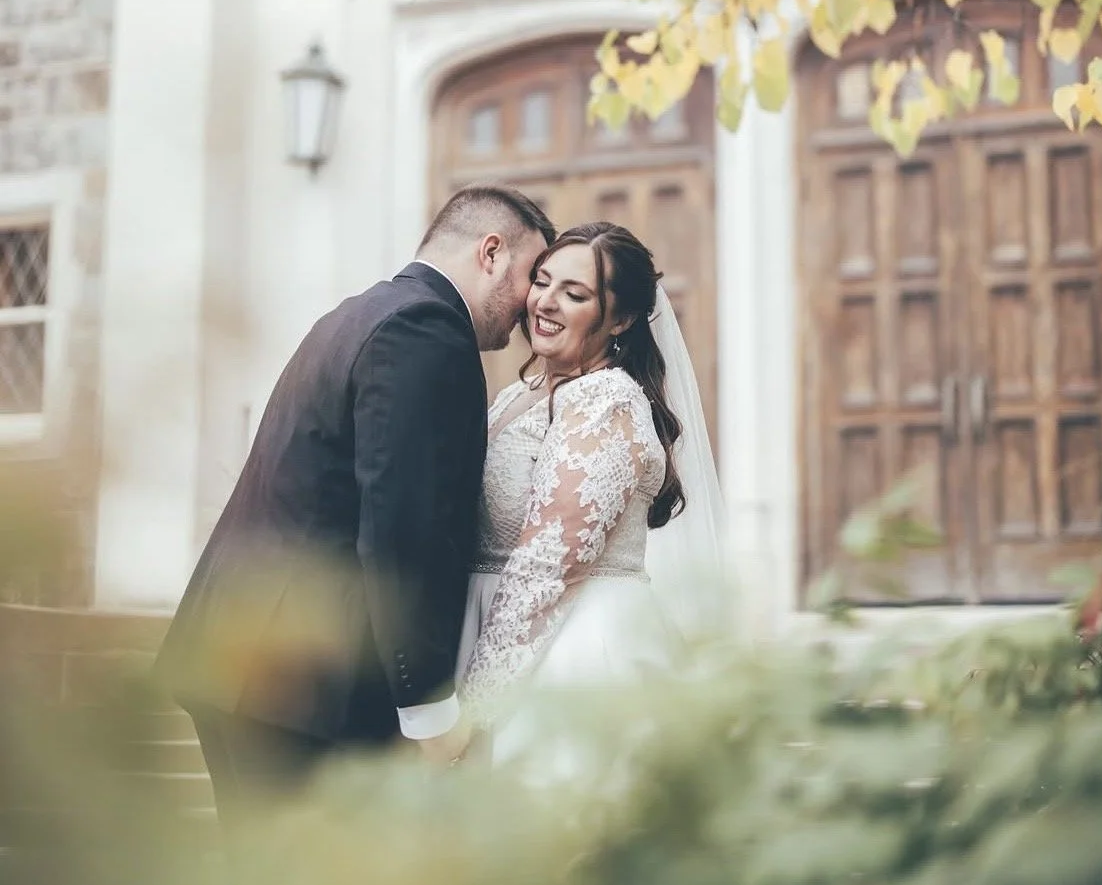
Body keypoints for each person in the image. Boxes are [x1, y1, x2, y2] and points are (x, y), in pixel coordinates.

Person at [155, 184, 554, 826]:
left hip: (242, 655)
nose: (534, 302)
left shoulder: (358, 313)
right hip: (306, 682)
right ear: (490, 252)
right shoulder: (426, 331)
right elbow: (405, 530)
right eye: (534, 274)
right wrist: (428, 708)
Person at [457, 221, 725, 756]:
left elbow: (550, 566)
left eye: (574, 294)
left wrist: (473, 713)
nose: (545, 302)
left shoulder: (605, 403)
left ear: (620, 319)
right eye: (542, 281)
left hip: (569, 655)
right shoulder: (521, 394)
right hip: (491, 630)